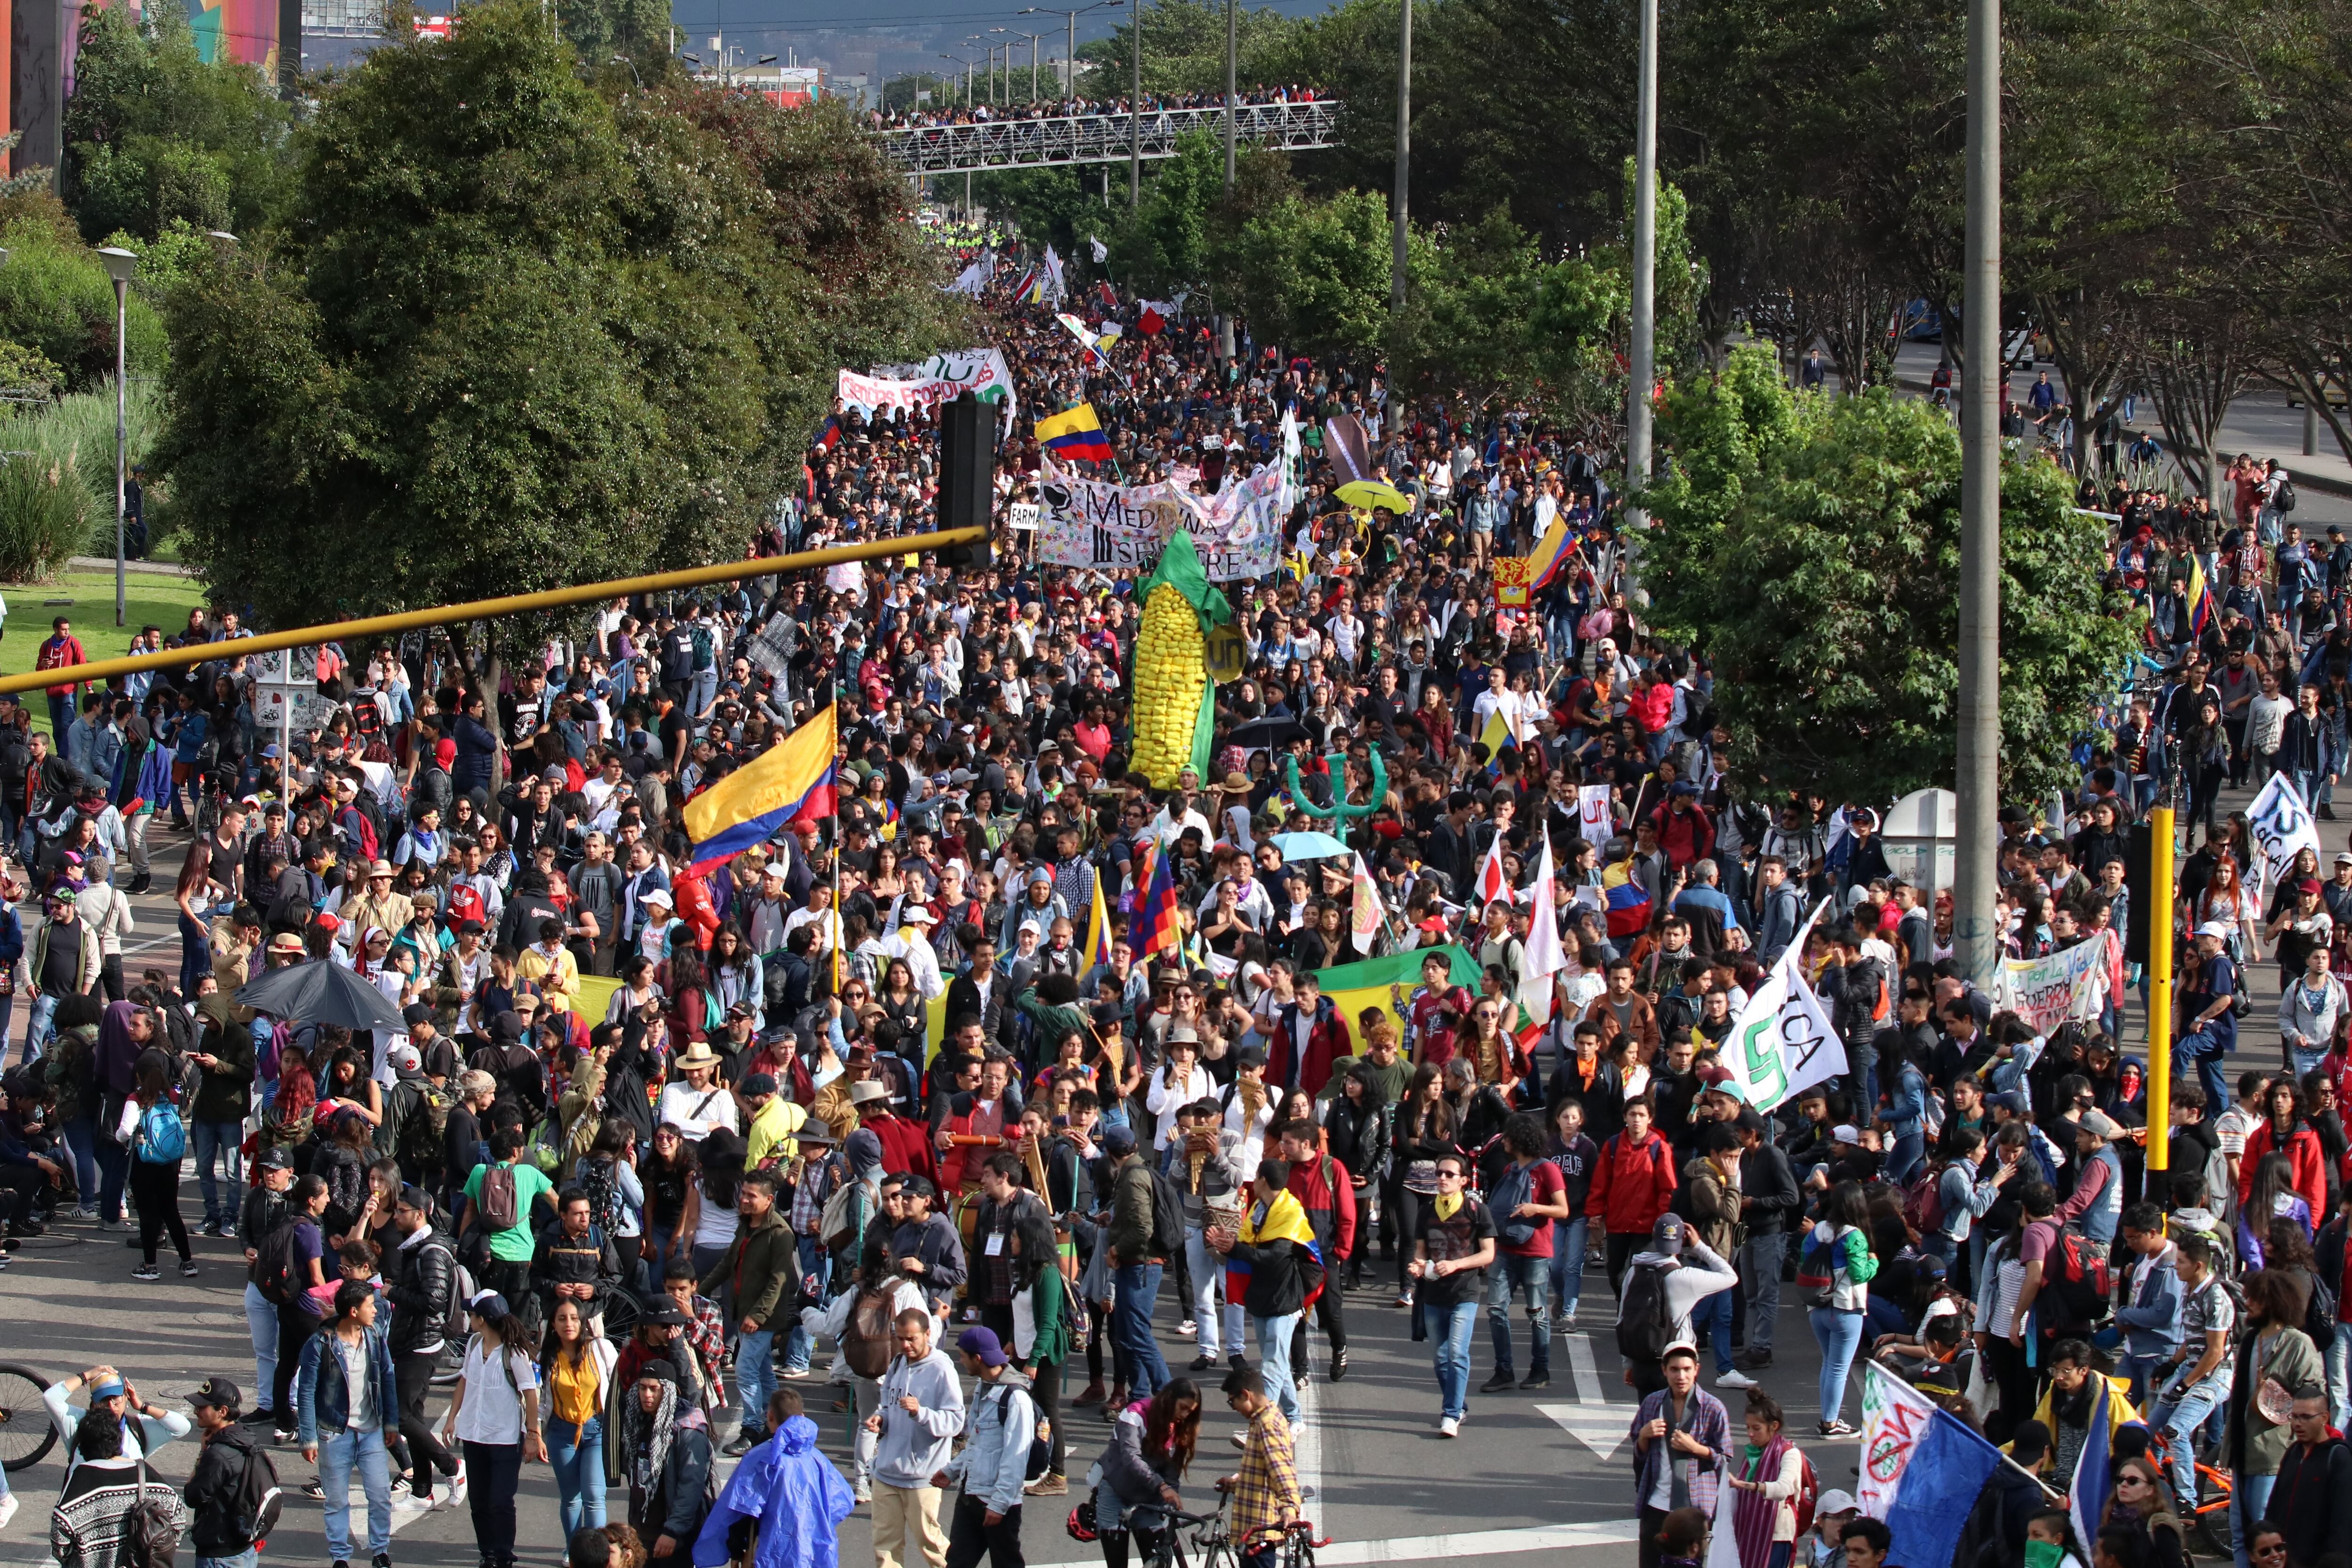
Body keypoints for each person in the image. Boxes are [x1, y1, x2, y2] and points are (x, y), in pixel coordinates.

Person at [296, 1277, 400, 1568]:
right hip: (334, 1432)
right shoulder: (320, 1343)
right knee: (336, 1500)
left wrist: (391, 1424)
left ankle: (380, 1550)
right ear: (353, 1311)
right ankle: (340, 1556)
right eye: (371, 1306)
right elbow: (306, 1391)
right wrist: (308, 1437)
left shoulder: (375, 1336)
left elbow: (388, 1379)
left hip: (371, 1431)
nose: (376, 1311)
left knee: (380, 1495)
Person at [691, 1386, 856, 1568]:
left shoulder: (763, 1458)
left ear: (770, 1416)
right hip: (812, 1550)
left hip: (770, 1550)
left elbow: (742, 1507)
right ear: (802, 1416)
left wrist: (737, 1550)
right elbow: (841, 1501)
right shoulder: (817, 1458)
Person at [1208, 1156, 1316, 1426]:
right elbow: (1249, 1245)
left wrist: (1234, 1248)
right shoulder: (1259, 1208)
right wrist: (1229, 1244)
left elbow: (1273, 1256)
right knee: (1276, 1363)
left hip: (1285, 1300)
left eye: (1256, 1178)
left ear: (1263, 1180)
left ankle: (1261, 1424)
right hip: (1260, 1297)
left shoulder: (1291, 1213)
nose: (1253, 1183)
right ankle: (1295, 1418)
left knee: (1272, 1366)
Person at [441, 1291, 546, 1568]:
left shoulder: (515, 1353)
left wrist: (533, 1434)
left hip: (505, 1438)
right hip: (474, 1436)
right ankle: (487, 1553)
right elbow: (464, 1380)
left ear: (482, 1319)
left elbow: (531, 1395)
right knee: (479, 1501)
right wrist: (452, 1418)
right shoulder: (474, 1343)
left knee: (500, 1500)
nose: (469, 1318)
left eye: (472, 1314)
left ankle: (504, 1555)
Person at [701, 1168, 795, 1457]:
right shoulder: (746, 1225)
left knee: (744, 1370)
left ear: (769, 1200)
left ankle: (752, 1429)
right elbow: (729, 1262)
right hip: (745, 1314)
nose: (744, 1200)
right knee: (764, 1372)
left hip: (762, 1319)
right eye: (743, 1193)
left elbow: (779, 1280)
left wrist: (759, 1315)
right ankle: (781, 1424)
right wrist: (699, 1291)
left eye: (751, 1196)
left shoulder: (780, 1233)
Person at [1479, 1109, 1570, 1393]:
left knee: (1537, 1312)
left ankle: (1540, 1369)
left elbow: (1563, 1210)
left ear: (1519, 1138)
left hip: (1535, 1252)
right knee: (1496, 1309)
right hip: (1506, 1248)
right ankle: (1503, 1370)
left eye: (1508, 1135)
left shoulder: (1547, 1170)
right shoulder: (1510, 1170)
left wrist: (1535, 1209)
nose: (1503, 1140)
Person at [866, 1307, 964, 1568]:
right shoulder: (897, 1363)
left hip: (923, 1477)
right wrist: (881, 1419)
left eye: (912, 1339)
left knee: (930, 1544)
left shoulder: (942, 1370)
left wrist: (921, 1413)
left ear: (928, 1334)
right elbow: (887, 1406)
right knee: (885, 1548)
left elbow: (955, 1421)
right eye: (900, 1338)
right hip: (887, 1472)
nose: (905, 1345)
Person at [1410, 1150, 1494, 1436]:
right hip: (1434, 1296)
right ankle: (1458, 1405)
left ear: (1463, 1181)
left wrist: (1457, 1264)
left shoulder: (1476, 1211)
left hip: (1465, 1293)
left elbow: (1488, 1254)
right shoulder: (1426, 1211)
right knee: (1440, 1358)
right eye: (1439, 1173)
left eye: (1449, 1175)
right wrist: (1419, 1267)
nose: (1442, 1178)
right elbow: (1421, 1253)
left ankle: (1450, 1414)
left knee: (1458, 1354)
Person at [937, 1327, 1035, 1568]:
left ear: (977, 1359)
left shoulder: (1016, 1400)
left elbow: (1016, 1459)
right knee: (957, 1563)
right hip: (970, 1496)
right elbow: (976, 1442)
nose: (960, 1361)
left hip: (998, 1505)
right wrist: (952, 1471)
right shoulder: (983, 1387)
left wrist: (999, 1505)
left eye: (962, 1356)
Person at [1629, 1344, 1732, 1568]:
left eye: (1687, 1369)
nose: (1681, 1376)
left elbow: (1724, 1459)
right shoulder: (1652, 1403)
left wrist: (1696, 1448)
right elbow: (1638, 1450)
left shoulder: (1713, 1408)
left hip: (1694, 1510)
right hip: (1657, 1503)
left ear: (1697, 1370)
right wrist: (1644, 1437)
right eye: (1674, 1369)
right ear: (1664, 1370)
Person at [1090, 1379, 1201, 1568]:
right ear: (1169, 1399)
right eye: (1182, 1408)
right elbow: (1131, 1458)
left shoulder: (1181, 1426)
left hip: (1151, 1503)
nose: (1184, 1415)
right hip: (1115, 1496)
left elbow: (1172, 1469)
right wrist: (1162, 1486)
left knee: (1159, 1563)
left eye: (1189, 1412)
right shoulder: (1134, 1416)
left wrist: (1171, 1491)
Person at [614, 1362, 712, 1567]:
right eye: (642, 1388)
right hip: (642, 1534)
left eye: (654, 1389)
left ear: (669, 1391)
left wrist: (673, 1532)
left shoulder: (687, 1432)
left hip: (672, 1537)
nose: (647, 1395)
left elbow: (691, 1487)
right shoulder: (639, 1423)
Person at [1802, 1181, 1878, 1436]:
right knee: (1839, 1368)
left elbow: (1804, 1259)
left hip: (1817, 1307)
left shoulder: (1818, 1230)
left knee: (1828, 1364)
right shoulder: (1855, 1236)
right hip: (1846, 1309)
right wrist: (1874, 1264)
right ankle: (1830, 1423)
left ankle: (1828, 1419)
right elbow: (1859, 1275)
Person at [1214, 1364, 1303, 1568]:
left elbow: (1282, 1470)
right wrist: (1235, 1485)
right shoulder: (1261, 1421)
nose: (1233, 1407)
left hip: (1260, 1529)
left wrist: (1290, 1506)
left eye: (1232, 1401)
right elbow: (1262, 1473)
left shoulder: (1268, 1424)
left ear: (1246, 1395)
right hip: (1252, 1528)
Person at [543, 1295, 617, 1538]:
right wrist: (535, 1433)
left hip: (597, 1429)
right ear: (553, 1324)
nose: (569, 1324)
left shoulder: (600, 1349)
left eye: (574, 1318)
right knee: (571, 1497)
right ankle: (574, 1552)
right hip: (560, 1433)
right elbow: (540, 1399)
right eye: (562, 1319)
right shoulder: (546, 1356)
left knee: (595, 1496)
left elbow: (618, 1388)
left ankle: (596, 1555)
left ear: (583, 1322)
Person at [182, 1377, 275, 1568]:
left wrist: (203, 1452)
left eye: (202, 1407)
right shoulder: (248, 1440)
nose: (196, 1411)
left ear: (222, 1411)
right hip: (244, 1549)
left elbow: (192, 1496)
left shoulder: (217, 1455)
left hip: (219, 1555)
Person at [2261, 1385, 2352, 1566]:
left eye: (2306, 1417)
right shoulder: (2293, 1453)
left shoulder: (2338, 1457)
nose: (2297, 1424)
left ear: (2324, 1418)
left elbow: (2343, 1521)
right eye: (2294, 1416)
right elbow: (2275, 1507)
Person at [127, 1048, 196, 1281]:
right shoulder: (172, 1096)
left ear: (139, 1075)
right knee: (171, 1211)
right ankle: (188, 1263)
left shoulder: (136, 1099)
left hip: (145, 1161)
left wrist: (122, 1139)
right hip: (169, 1162)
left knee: (148, 1215)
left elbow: (125, 1130)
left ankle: (150, 1266)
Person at [1721, 1391, 1804, 1568]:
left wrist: (1742, 1485)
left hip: (1776, 1534)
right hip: (1749, 1529)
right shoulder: (1753, 1453)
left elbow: (1783, 1489)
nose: (1750, 1434)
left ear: (1774, 1426)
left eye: (1756, 1428)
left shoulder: (1790, 1454)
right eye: (1748, 1428)